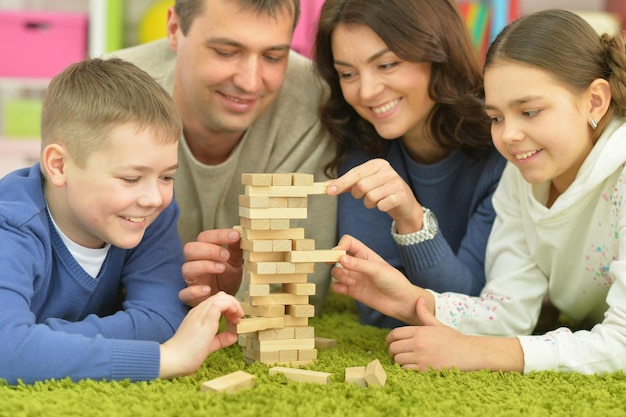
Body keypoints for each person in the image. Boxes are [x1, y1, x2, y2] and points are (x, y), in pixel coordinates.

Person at [330, 8, 626, 374]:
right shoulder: (521, 177)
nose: (509, 136)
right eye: (497, 118)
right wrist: (412, 300)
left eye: (530, 112)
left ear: (595, 101)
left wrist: (480, 353)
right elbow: (505, 311)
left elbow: (620, 344)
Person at [0, 57, 244, 385]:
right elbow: (7, 351)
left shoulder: (148, 217)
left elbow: (162, 320)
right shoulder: (11, 225)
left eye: (167, 177)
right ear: (59, 166)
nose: (154, 198)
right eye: (131, 178)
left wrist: (39, 339)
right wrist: (164, 358)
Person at [108, 0, 337, 312]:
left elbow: (295, 290)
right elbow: (85, 279)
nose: (249, 82)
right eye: (226, 52)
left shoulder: (315, 101)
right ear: (175, 29)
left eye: (273, 56)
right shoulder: (106, 97)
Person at [313, 0, 506, 328]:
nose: (368, 91)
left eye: (386, 65)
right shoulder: (358, 145)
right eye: (348, 73)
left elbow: (477, 310)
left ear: (437, 53)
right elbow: (377, 307)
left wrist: (412, 219)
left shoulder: (502, 146)